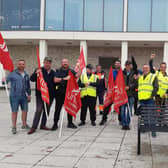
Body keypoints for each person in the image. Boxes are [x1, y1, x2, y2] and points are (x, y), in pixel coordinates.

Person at [28, 57, 55, 134]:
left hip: (50, 95)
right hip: (40, 94)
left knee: (47, 110)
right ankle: (34, 127)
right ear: (44, 63)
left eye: (49, 62)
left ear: (50, 64)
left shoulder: (53, 72)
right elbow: (32, 79)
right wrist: (36, 73)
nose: (47, 64)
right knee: (39, 110)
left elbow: (55, 82)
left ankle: (43, 125)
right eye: (46, 62)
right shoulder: (39, 70)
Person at [51, 58, 81, 130]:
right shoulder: (58, 70)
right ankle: (55, 124)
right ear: (61, 63)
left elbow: (77, 75)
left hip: (69, 93)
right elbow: (55, 80)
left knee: (69, 107)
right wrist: (64, 78)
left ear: (68, 63)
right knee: (58, 109)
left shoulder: (71, 71)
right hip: (59, 93)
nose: (65, 63)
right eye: (64, 62)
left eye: (66, 62)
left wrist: (80, 68)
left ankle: (70, 123)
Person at [7, 60, 31, 134]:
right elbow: (5, 81)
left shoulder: (26, 74)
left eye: (23, 64)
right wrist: (3, 80)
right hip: (14, 96)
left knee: (25, 110)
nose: (21, 65)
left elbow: (28, 86)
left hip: (24, 96)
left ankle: (24, 124)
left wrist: (29, 95)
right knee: (14, 111)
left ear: (24, 65)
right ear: (17, 65)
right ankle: (14, 127)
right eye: (20, 64)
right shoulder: (12, 74)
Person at [138, 64, 158, 137]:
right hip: (142, 99)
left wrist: (151, 96)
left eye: (146, 68)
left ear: (149, 69)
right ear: (142, 69)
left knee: (151, 115)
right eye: (144, 68)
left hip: (150, 100)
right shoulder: (140, 78)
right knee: (144, 115)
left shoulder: (153, 76)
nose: (145, 69)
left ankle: (153, 130)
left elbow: (156, 87)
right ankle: (146, 128)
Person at [99, 60, 122, 125]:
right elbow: (109, 80)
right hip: (111, 92)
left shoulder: (122, 72)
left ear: (120, 64)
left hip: (119, 92)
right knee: (106, 105)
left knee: (119, 107)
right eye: (116, 63)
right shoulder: (112, 72)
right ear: (114, 65)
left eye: (118, 63)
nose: (117, 64)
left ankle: (120, 120)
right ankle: (104, 119)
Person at [121, 60, 138, 130]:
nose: (128, 66)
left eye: (129, 65)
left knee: (129, 109)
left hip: (131, 94)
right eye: (127, 65)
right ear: (125, 65)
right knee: (122, 110)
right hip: (123, 95)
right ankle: (123, 124)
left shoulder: (134, 73)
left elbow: (136, 83)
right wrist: (123, 87)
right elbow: (118, 82)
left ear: (131, 65)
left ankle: (127, 123)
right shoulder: (121, 73)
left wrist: (129, 87)